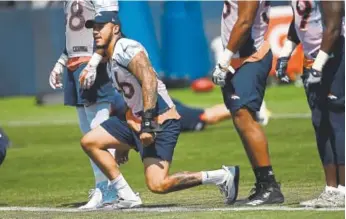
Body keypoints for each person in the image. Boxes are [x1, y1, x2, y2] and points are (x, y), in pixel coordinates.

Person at [80, 11, 240, 208]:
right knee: (90, 141)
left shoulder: (126, 47)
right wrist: (125, 140)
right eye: (94, 27)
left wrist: (147, 124)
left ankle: (221, 176)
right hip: (136, 120)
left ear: (115, 28)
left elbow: (149, 80)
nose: (96, 31)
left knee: (158, 185)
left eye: (100, 26)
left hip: (160, 121)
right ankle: (127, 196)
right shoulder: (113, 56)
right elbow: (131, 99)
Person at [48, 0, 141, 209]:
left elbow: (109, 25)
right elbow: (74, 34)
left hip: (91, 60)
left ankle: (110, 189)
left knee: (97, 131)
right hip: (74, 63)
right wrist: (60, 63)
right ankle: (103, 187)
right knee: (87, 131)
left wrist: (94, 62)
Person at [212, 0, 284, 205]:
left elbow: (245, 21)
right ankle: (264, 185)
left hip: (249, 57)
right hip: (238, 59)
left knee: (244, 115)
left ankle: (270, 186)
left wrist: (224, 60)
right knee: (240, 118)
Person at [276, 0, 345, 208]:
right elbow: (299, 20)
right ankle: (331, 189)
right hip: (313, 58)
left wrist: (318, 66)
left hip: (336, 57)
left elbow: (333, 25)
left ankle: (344, 189)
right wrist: (286, 52)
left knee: (337, 121)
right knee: (320, 123)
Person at [110, 91, 272, 132]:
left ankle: (250, 105)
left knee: (205, 116)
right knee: (204, 116)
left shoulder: (112, 99)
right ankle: (249, 106)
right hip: (161, 104)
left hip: (164, 110)